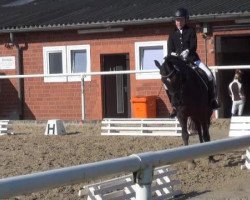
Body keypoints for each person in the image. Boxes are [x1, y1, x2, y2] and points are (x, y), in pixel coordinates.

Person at [166, 7, 219, 117]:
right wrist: (174, 55)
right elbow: (170, 50)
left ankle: (212, 99)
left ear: (186, 20)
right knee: (167, 83)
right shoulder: (172, 34)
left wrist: (187, 51)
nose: (178, 22)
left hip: (192, 60)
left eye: (180, 20)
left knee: (209, 74)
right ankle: (174, 106)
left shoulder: (190, 31)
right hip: (178, 64)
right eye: (177, 20)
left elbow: (193, 46)